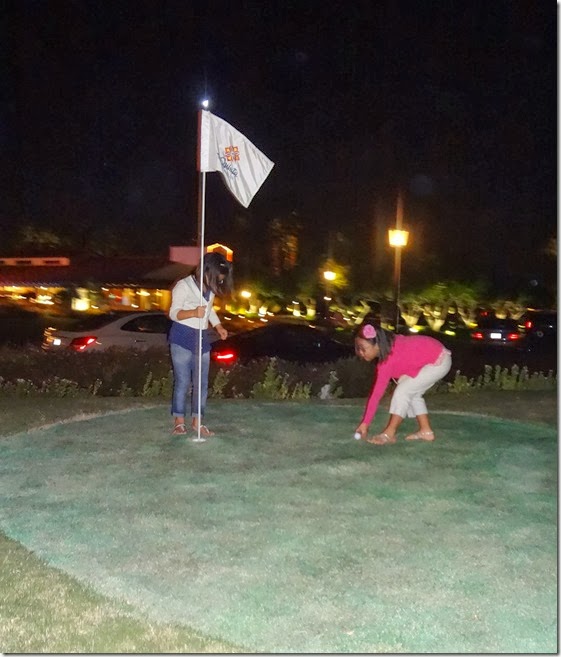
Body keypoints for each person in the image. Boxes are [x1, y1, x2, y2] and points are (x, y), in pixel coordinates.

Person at [168, 252, 233, 437]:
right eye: (217, 278)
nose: (219, 282)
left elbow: (209, 310)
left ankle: (198, 422)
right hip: (182, 337)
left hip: (202, 338)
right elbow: (173, 313)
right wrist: (193, 313)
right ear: (206, 271)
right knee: (183, 382)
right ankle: (179, 422)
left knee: (202, 383)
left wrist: (218, 326)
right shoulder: (183, 286)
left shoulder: (209, 289)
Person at [354, 323, 451, 445]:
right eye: (358, 349)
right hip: (435, 357)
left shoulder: (390, 358)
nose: (361, 353)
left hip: (439, 359)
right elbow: (376, 394)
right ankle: (426, 431)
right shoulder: (389, 351)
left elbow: (376, 395)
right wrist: (365, 423)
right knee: (411, 391)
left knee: (403, 391)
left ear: (377, 345)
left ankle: (389, 433)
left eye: (363, 349)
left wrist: (365, 423)